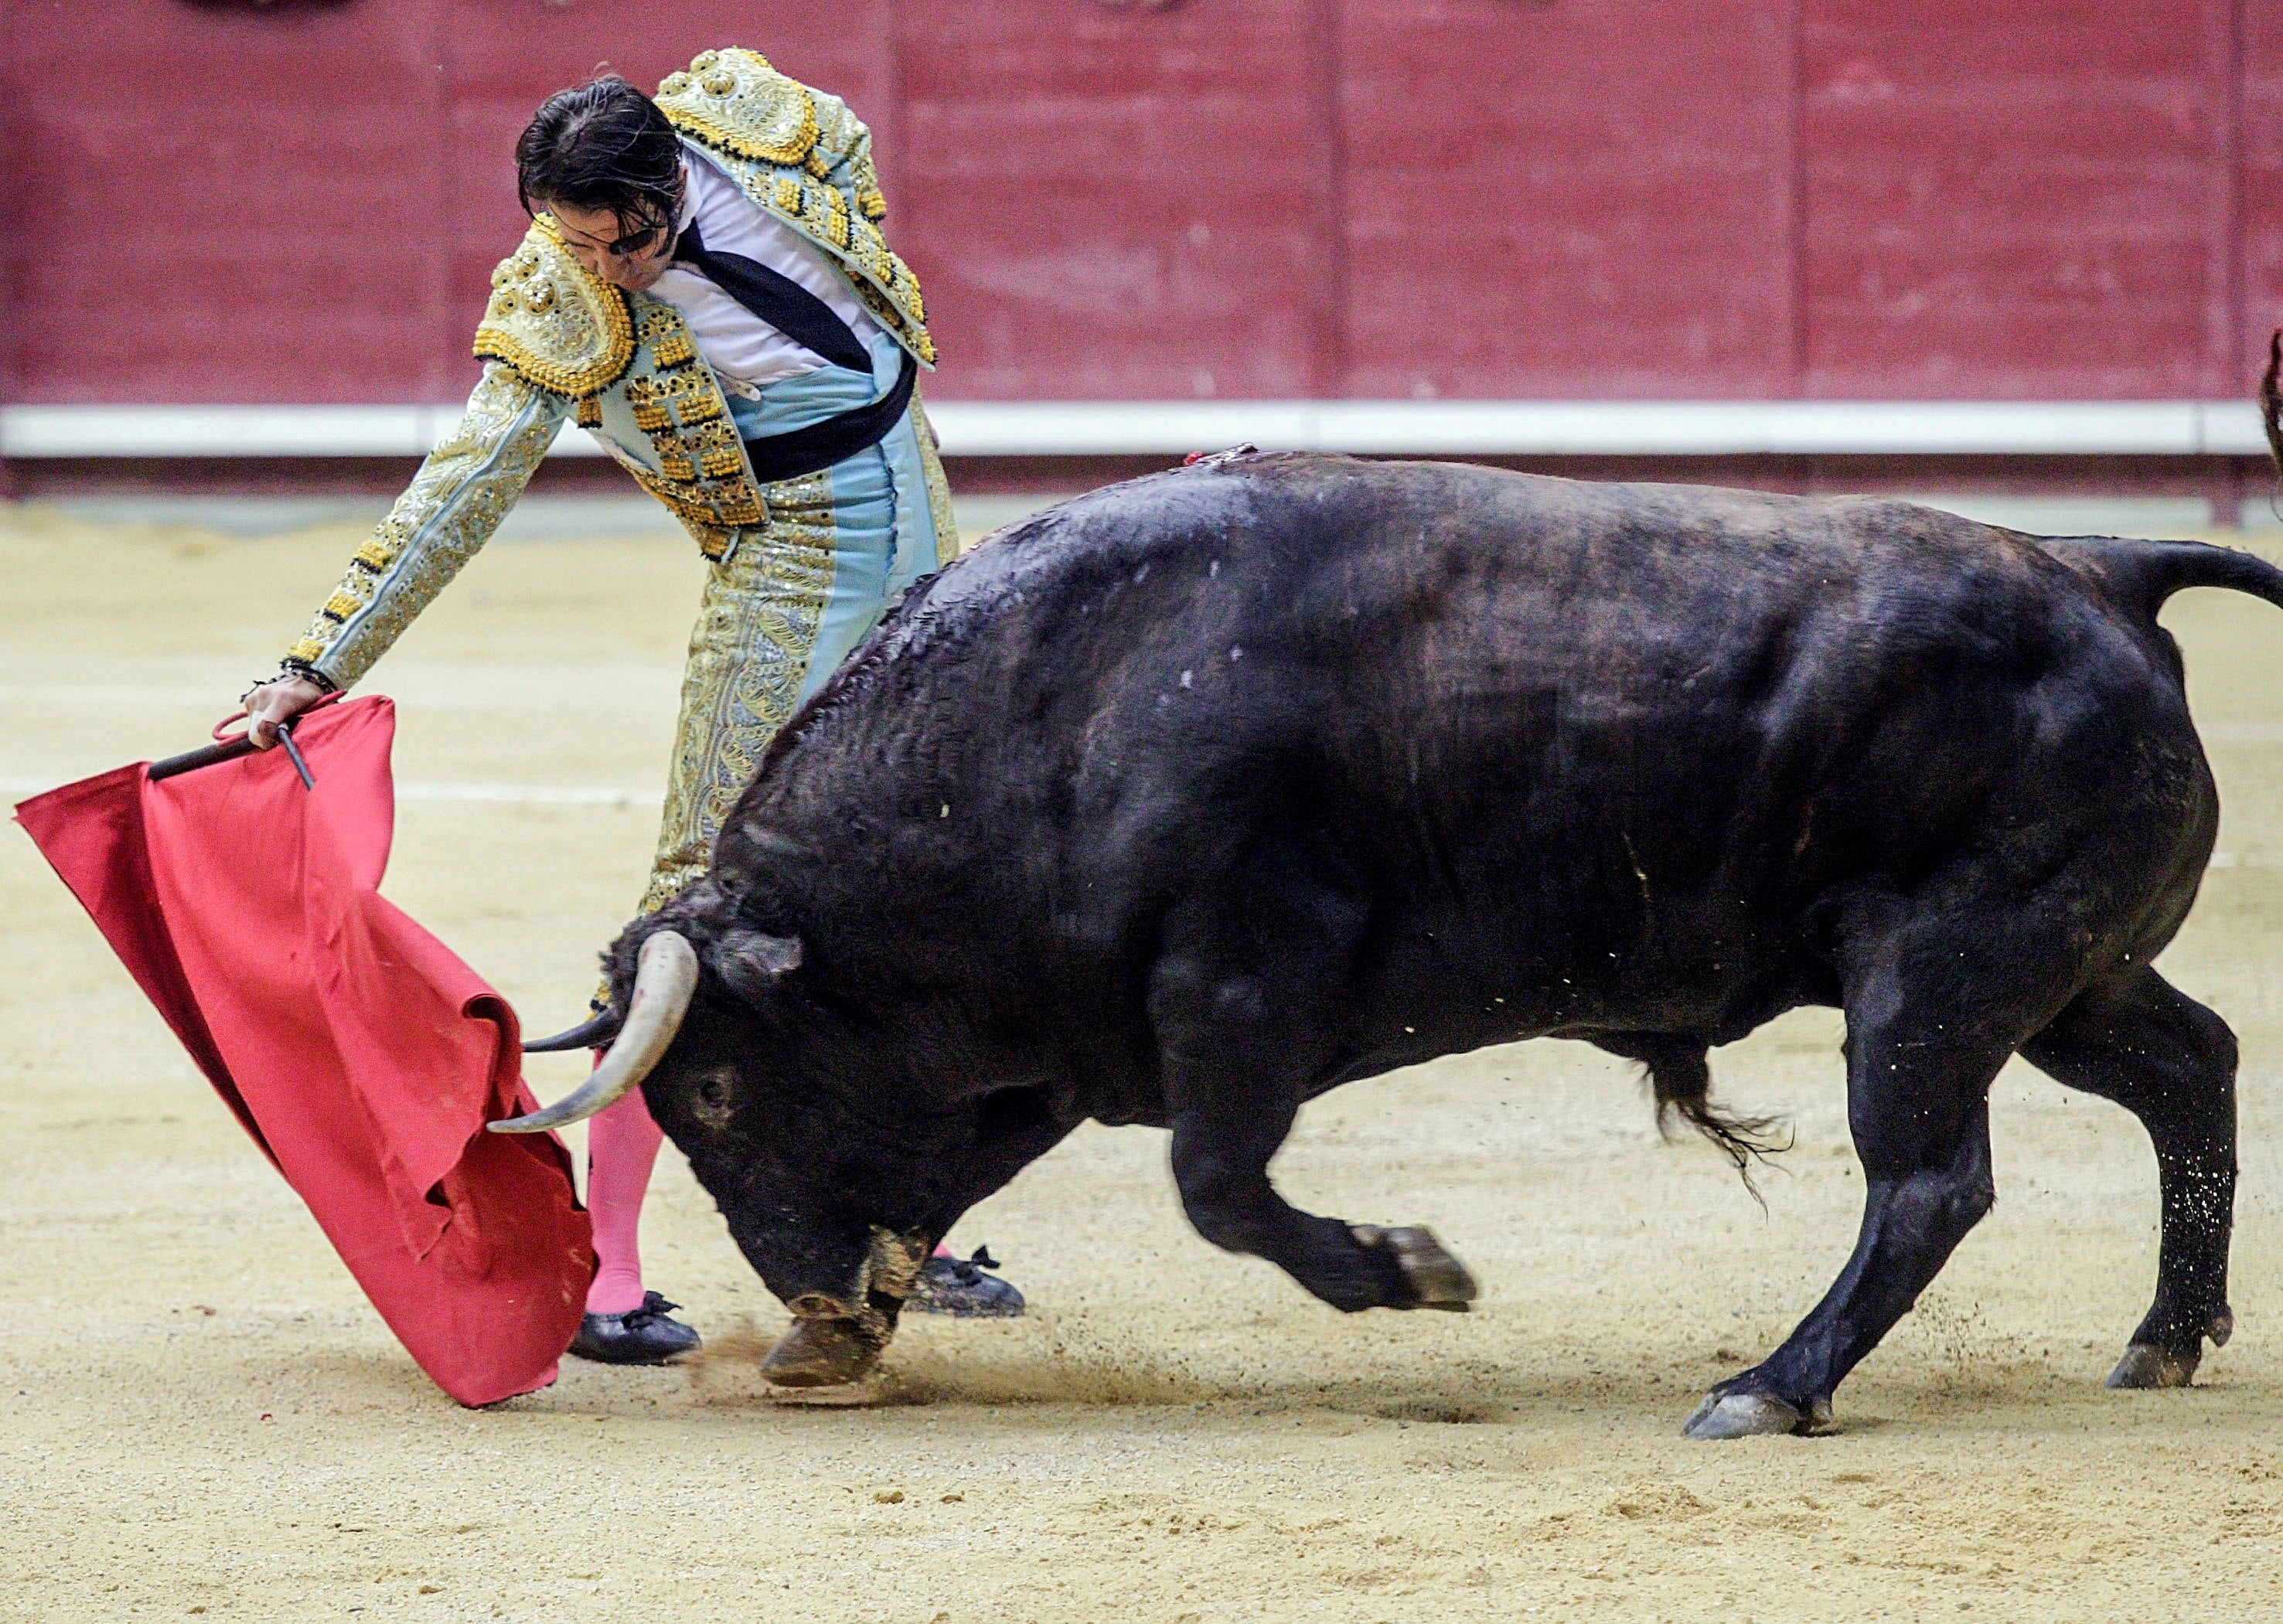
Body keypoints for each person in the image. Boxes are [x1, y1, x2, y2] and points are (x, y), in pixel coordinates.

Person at [240, 49, 1024, 1364]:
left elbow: (855, 184)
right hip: (789, 557)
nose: (606, 270)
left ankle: (911, 1224)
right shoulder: (559, 295)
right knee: (696, 907)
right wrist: (321, 661)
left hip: (919, 501)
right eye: (578, 245)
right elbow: (461, 486)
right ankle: (605, 1268)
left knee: (917, 870)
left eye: (628, 242)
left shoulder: (767, 128)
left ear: (675, 179)